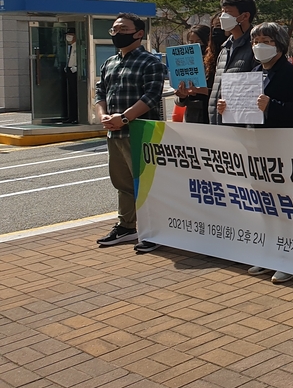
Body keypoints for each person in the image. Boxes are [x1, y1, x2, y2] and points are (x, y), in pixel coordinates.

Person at [217, 21, 293, 285]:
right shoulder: (254, 71)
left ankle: (289, 258)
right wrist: (228, 109)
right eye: (256, 41)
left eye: (267, 41)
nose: (259, 46)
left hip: (282, 147)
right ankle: (270, 252)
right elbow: (245, 112)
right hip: (256, 147)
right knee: (264, 202)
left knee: (284, 204)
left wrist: (273, 105)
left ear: (279, 45)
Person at [94, 13, 165, 249]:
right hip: (115, 133)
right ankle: (126, 227)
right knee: (122, 183)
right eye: (114, 29)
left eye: (123, 29)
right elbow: (100, 93)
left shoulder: (150, 62)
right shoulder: (109, 63)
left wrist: (124, 118)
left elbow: (152, 96)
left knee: (147, 184)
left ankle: (154, 231)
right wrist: (103, 116)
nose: (116, 33)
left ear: (139, 33)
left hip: (141, 134)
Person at [208, 0, 257, 125]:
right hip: (219, 127)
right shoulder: (225, 48)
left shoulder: (255, 48)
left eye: (228, 12)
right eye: (222, 12)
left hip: (242, 128)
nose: (222, 17)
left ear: (245, 16)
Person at [174, 25, 212, 124]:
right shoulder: (185, 63)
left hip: (212, 115)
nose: (195, 45)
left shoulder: (216, 61)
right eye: (191, 42)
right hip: (193, 117)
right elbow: (179, 102)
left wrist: (203, 91)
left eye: (199, 42)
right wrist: (182, 95)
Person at [60, 27, 80, 124]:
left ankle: (76, 117)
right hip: (69, 71)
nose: (68, 37)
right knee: (69, 96)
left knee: (75, 95)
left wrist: (76, 68)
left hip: (75, 73)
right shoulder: (69, 47)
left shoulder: (79, 47)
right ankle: (70, 116)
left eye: (70, 35)